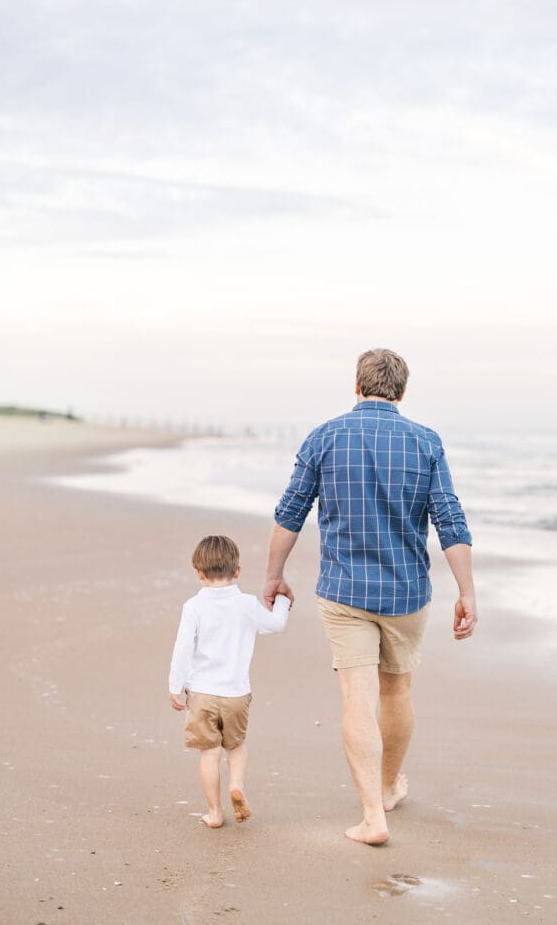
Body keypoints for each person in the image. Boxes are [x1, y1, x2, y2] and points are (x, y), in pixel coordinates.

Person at [264, 348, 476, 845]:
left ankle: (371, 819)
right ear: (402, 393)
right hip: (406, 592)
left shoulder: (325, 437)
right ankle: (385, 790)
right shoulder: (426, 442)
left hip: (343, 591)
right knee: (397, 691)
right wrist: (467, 592)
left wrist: (273, 575)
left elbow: (289, 512)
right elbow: (450, 519)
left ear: (356, 386)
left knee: (356, 701)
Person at [169, 535, 290, 828]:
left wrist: (175, 686)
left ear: (198, 573)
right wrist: (283, 601)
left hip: (202, 695)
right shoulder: (247, 604)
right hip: (237, 693)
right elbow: (276, 624)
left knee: (209, 754)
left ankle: (214, 811)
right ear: (237, 571)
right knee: (235, 747)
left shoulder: (194, 607)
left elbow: (183, 648)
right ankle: (236, 784)